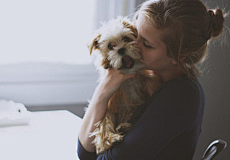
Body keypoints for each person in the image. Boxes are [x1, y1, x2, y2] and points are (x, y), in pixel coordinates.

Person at [77, 0, 225, 159]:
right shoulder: (141, 78)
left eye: (147, 44)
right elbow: (85, 152)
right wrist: (103, 93)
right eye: (135, 34)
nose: (134, 45)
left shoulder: (180, 96)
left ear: (178, 56)